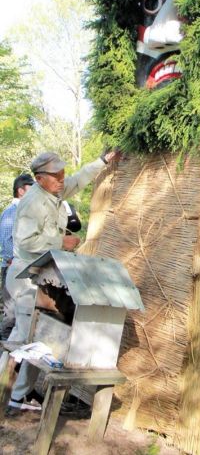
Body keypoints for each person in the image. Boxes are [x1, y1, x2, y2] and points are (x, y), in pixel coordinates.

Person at [5, 148, 121, 412]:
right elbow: (25, 241)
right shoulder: (32, 203)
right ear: (39, 178)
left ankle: (16, 395)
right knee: (29, 338)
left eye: (61, 173)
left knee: (29, 336)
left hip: (43, 275)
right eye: (56, 175)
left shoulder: (53, 191)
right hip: (27, 277)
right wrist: (61, 241)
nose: (61, 178)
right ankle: (13, 396)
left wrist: (102, 161)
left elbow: (78, 180)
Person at [0, 174, 35, 338]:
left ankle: (16, 360)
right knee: (11, 315)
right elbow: (7, 241)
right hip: (12, 268)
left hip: (26, 269)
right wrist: (14, 260)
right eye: (31, 187)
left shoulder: (27, 212)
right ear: (21, 191)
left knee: (25, 313)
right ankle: (3, 357)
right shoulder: (11, 212)